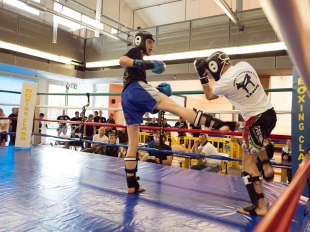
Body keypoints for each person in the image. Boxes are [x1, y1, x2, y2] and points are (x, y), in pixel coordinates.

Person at [119, 31, 238, 194]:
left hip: (126, 96)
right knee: (178, 108)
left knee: (133, 143)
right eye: (149, 42)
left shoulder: (137, 61)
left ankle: (131, 184)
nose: (152, 46)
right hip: (135, 88)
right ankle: (218, 124)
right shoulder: (136, 52)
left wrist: (154, 88)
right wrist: (146, 64)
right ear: (141, 41)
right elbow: (122, 60)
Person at [194, 51, 276, 215]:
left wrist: (202, 76)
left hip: (254, 121)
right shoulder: (245, 64)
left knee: (247, 165)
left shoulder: (223, 82)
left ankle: (260, 206)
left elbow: (209, 95)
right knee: (255, 145)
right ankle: (266, 165)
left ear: (214, 66)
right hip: (270, 114)